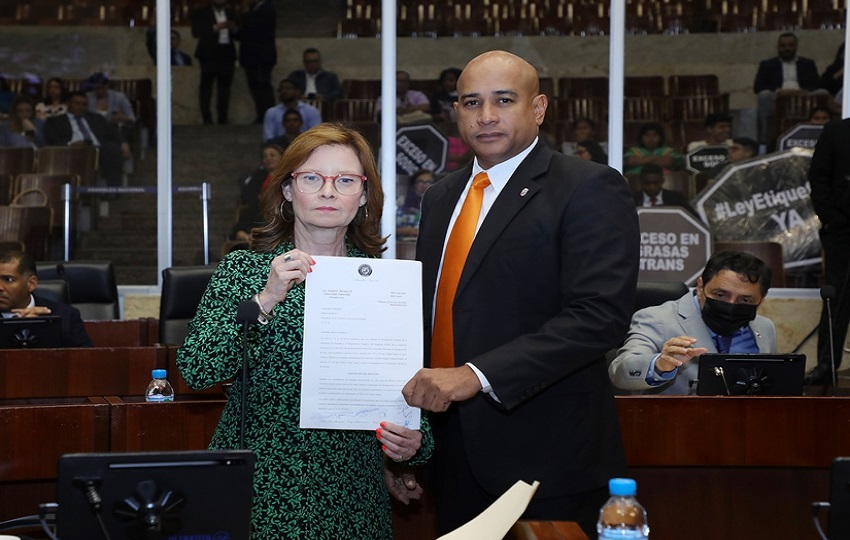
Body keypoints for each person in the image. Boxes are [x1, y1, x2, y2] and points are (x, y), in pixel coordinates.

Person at [401, 50, 639, 538]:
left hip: (547, 458)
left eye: (503, 100)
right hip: (449, 453)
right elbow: (432, 316)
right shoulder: (442, 196)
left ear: (538, 108)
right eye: (471, 102)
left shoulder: (588, 187)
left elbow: (599, 317)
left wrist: (476, 375)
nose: (485, 116)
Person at [177, 123, 432, 539]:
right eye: (312, 178)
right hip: (264, 482)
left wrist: (411, 446)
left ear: (364, 196)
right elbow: (197, 370)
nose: (328, 191)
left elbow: (408, 388)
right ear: (289, 190)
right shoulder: (244, 270)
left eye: (345, 180)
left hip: (355, 487)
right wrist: (266, 299)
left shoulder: (389, 282)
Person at [609, 250, 777, 395]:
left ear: (761, 299)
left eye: (745, 299)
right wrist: (659, 364)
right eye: (720, 295)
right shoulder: (656, 319)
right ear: (700, 286)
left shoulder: (764, 328)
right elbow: (619, 371)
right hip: (675, 425)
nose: (731, 304)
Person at [807, 117, 850, 385]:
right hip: (843, 231)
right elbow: (818, 177)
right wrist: (832, 218)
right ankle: (827, 364)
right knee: (837, 298)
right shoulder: (837, 131)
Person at [0, 249, 92, 347]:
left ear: (31, 284)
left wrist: (48, 329)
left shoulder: (66, 315)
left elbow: (85, 357)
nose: (0, 287)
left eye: (8, 279)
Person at [43, 90, 130, 187]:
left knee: (111, 148)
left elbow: (113, 132)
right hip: (72, 150)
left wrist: (123, 143)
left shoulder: (96, 118)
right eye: (77, 103)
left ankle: (113, 189)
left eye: (84, 104)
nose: (81, 107)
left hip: (99, 149)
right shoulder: (55, 121)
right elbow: (52, 139)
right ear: (68, 103)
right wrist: (70, 145)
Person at [753, 32, 824, 147]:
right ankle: (764, 142)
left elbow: (817, 84)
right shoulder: (767, 64)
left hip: (803, 97)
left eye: (790, 45)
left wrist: (804, 91)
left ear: (796, 46)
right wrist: (778, 91)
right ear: (778, 47)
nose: (787, 49)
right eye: (783, 46)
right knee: (764, 95)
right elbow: (758, 87)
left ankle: (821, 133)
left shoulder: (807, 63)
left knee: (822, 93)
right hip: (778, 97)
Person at [191, 0, 238, 125]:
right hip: (208, 54)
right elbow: (196, 32)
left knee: (225, 88)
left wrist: (233, 28)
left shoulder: (230, 12)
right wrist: (216, 27)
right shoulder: (201, 12)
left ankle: (223, 117)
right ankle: (206, 117)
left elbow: (239, 34)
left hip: (227, 53)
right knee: (206, 87)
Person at [230, 142, 284, 244]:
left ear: (282, 157)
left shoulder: (289, 176)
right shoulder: (257, 177)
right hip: (260, 211)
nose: (268, 158)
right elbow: (248, 197)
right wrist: (246, 237)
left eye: (272, 155)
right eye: (265, 156)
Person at [238, 0, 277, 125]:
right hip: (252, 57)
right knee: (255, 86)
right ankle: (261, 114)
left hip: (261, 56)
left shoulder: (267, 8)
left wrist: (245, 13)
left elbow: (254, 27)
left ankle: (267, 115)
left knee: (262, 86)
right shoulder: (255, 10)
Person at [85, 72, 136, 137]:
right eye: (97, 88)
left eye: (102, 88)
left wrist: (122, 117)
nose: (99, 91)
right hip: (92, 133)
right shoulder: (88, 97)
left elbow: (132, 119)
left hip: (115, 133)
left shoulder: (119, 97)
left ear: (107, 85)